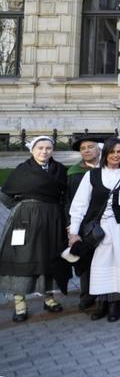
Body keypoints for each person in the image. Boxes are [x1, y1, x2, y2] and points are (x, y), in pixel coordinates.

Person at [68, 138, 120, 322]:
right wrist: (74, 232)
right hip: (100, 229)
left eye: (119, 152)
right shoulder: (92, 175)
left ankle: (115, 304)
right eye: (112, 152)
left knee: (119, 264)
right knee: (101, 266)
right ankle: (102, 303)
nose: (116, 155)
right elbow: (79, 205)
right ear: (105, 154)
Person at [0, 136, 70, 322]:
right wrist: (24, 208)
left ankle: (49, 297)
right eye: (40, 148)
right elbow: (6, 197)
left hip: (53, 218)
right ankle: (20, 302)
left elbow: (65, 196)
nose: (44, 151)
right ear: (33, 150)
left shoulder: (60, 170)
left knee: (50, 257)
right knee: (22, 257)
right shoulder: (23, 170)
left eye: (48, 148)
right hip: (26, 219)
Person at [65, 135, 104, 311]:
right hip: (83, 223)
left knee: (105, 258)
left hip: (105, 222)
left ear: (99, 149)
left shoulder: (108, 169)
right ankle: (87, 295)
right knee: (86, 259)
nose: (86, 150)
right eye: (83, 148)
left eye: (90, 147)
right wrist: (70, 224)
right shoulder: (74, 172)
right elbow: (68, 201)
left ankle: (106, 294)